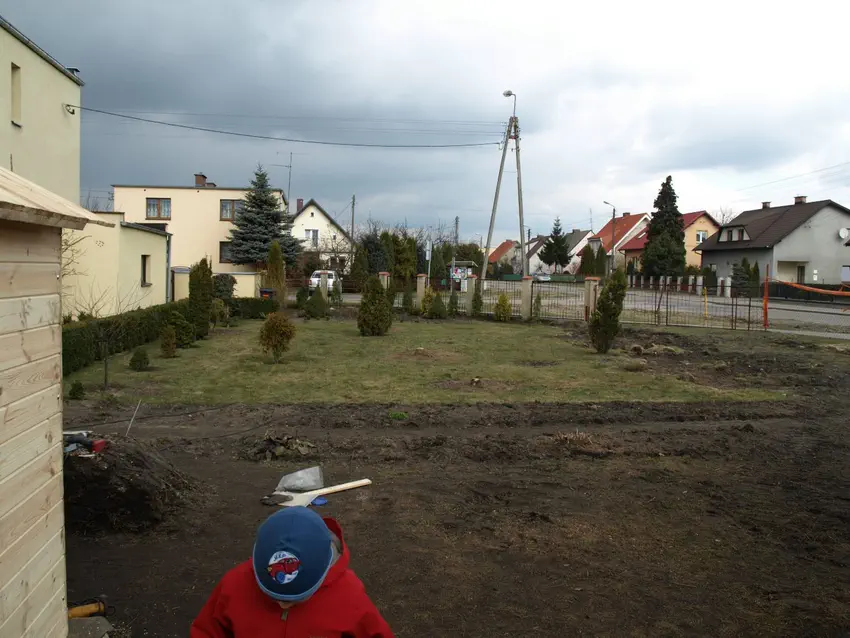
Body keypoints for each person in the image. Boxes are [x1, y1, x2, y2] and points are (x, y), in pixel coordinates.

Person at [191, 507, 393, 637]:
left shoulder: (349, 597)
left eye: (298, 597)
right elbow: (206, 631)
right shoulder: (235, 585)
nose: (282, 604)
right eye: (272, 595)